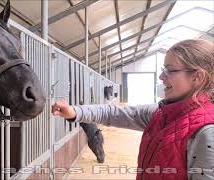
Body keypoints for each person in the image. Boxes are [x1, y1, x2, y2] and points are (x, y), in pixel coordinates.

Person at [52, 39, 214, 180]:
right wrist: (75, 112)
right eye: (163, 70)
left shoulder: (206, 132)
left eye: (170, 70)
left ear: (197, 77)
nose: (161, 77)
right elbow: (114, 113)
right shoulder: (160, 114)